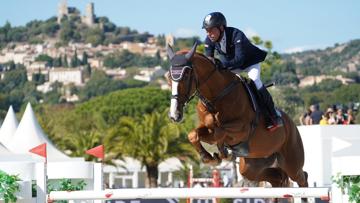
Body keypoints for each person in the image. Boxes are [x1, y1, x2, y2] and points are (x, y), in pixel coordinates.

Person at [202, 12, 282, 131]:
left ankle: (273, 115)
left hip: (249, 63)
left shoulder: (236, 34)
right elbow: (209, 60)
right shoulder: (209, 40)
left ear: (221, 27)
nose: (209, 34)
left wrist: (221, 64)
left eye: (211, 30)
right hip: (231, 66)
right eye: (207, 30)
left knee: (255, 81)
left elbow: (239, 60)